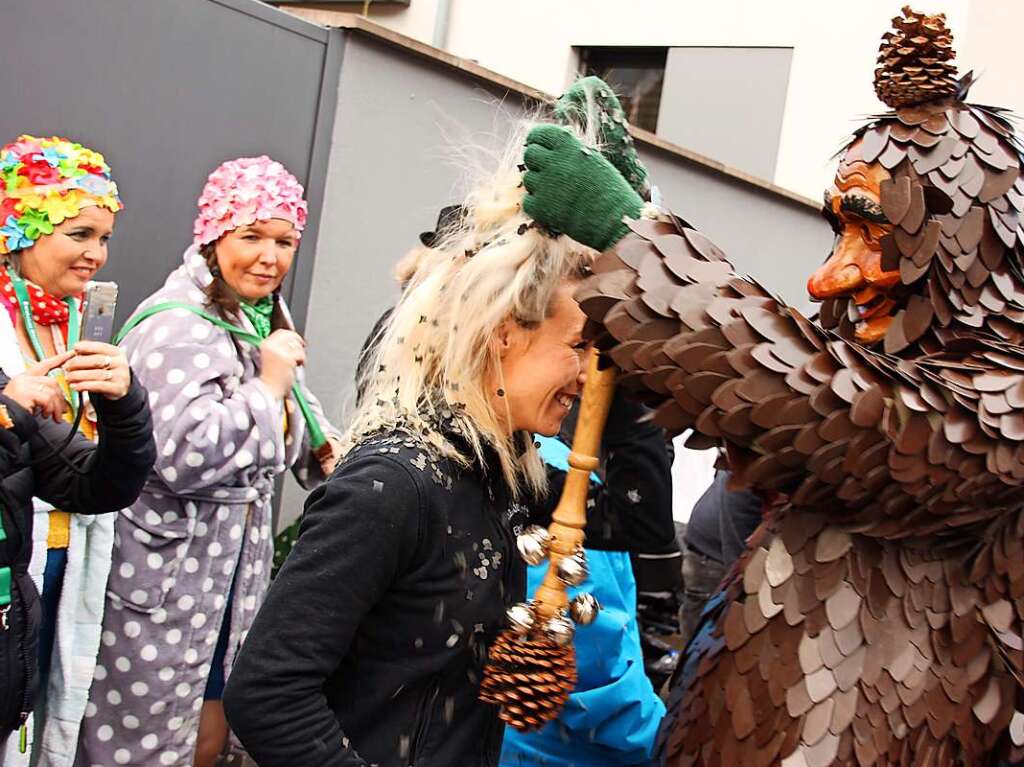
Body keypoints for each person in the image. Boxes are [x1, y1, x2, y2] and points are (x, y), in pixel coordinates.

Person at [222, 125, 596, 766]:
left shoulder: (503, 475)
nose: (589, 376)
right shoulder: (392, 486)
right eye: (579, 347)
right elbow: (267, 690)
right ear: (505, 333)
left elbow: (626, 515)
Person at [76, 156, 341, 767]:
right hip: (164, 581)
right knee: (142, 741)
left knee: (209, 736)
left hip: (223, 581)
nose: (268, 257)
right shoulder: (176, 327)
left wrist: (337, 456)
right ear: (214, 235)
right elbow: (181, 455)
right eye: (250, 237)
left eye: (284, 241)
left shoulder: (254, 317)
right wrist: (270, 386)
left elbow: (295, 421)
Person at [0, 134, 152, 764]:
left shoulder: (74, 323)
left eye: (105, 238)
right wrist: (11, 399)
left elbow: (98, 481)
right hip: (17, 558)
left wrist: (122, 402)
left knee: (35, 712)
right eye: (79, 234)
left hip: (64, 551)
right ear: (20, 227)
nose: (96, 254)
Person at [500, 389, 672, 767]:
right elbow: (593, 670)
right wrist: (668, 741)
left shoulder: (497, 457)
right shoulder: (562, 491)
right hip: (554, 752)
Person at [677, 470, 761, 648]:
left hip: (715, 542)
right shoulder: (750, 482)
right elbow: (737, 560)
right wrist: (742, 585)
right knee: (703, 646)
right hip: (711, 556)